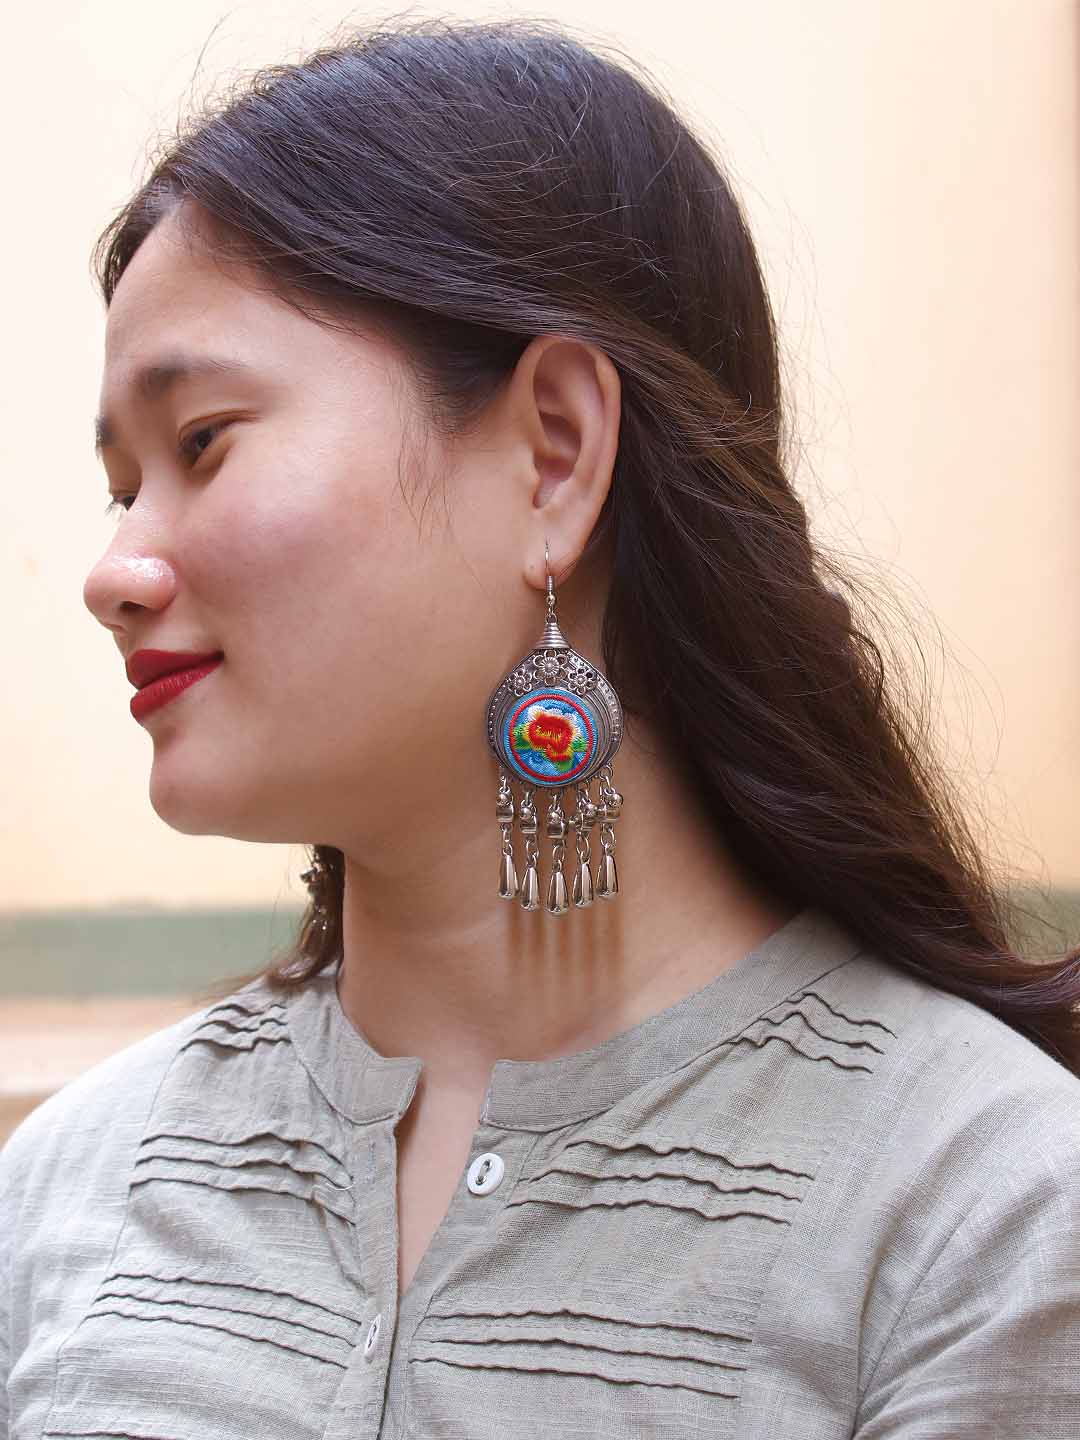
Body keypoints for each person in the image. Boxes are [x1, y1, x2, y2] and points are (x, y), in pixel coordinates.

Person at [3, 15, 1079, 1439]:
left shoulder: (983, 1210)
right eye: (122, 487)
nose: (114, 572)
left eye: (202, 442)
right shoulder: (69, 1185)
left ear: (555, 454)